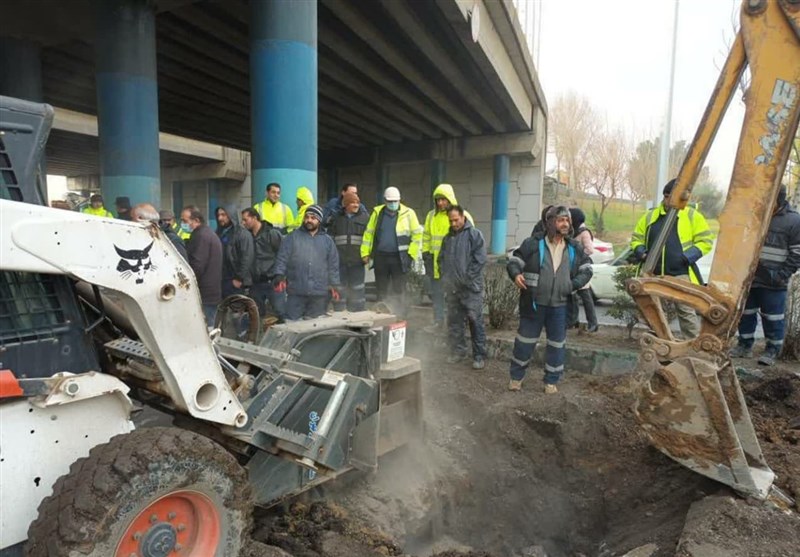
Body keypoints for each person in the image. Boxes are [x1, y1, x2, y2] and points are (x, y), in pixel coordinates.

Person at [506, 206, 593, 393]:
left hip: (560, 307)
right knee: (524, 343)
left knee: (556, 345)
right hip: (534, 305)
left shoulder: (573, 247)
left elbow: (587, 268)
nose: (565, 224)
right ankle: (516, 378)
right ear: (550, 222)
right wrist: (515, 275)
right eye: (561, 220)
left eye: (567, 221)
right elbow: (515, 261)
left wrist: (573, 284)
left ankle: (551, 381)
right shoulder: (532, 244)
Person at [630, 179, 715, 339]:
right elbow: (636, 238)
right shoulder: (650, 216)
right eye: (673, 197)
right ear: (666, 196)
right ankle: (659, 340)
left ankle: (692, 345)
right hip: (651, 272)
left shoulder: (692, 216)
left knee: (686, 311)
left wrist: (686, 257)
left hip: (680, 272)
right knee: (651, 310)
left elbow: (705, 241)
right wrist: (641, 252)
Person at [730, 185, 800, 365]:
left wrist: (782, 275)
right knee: (746, 314)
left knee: (773, 318)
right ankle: (744, 345)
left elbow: (797, 253)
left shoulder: (793, 221)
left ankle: (772, 350)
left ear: (779, 199)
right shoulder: (755, 216)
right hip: (750, 279)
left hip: (774, 280)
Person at [438, 205, 487, 370]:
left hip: (470, 288)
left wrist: (466, 280)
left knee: (475, 320)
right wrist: (445, 277)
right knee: (455, 322)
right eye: (450, 220)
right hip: (452, 288)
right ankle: (458, 352)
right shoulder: (447, 238)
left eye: (456, 220)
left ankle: (479, 355)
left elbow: (479, 260)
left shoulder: (474, 235)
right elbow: (441, 259)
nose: (453, 223)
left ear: (463, 217)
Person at [361, 187, 423, 316]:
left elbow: (417, 235)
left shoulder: (409, 213)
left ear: (399, 200)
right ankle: (381, 315)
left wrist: (411, 253)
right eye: (390, 201)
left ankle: (400, 315)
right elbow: (369, 234)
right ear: (385, 201)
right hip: (381, 257)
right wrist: (365, 253)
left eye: (396, 201)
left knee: (399, 288)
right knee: (381, 288)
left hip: (399, 258)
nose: (393, 204)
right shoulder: (377, 213)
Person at [273, 205, 341, 320]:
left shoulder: (327, 241)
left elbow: (333, 265)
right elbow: (282, 258)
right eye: (307, 217)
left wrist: (335, 285)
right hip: (296, 292)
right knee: (292, 324)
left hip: (318, 294)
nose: (309, 220)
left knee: (315, 327)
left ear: (319, 220)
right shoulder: (292, 237)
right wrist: (279, 275)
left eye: (313, 218)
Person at [423, 184, 472, 328]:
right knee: (437, 294)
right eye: (437, 200)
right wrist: (426, 255)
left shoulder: (463, 215)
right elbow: (426, 237)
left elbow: (470, 240)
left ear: (450, 199)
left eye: (443, 199)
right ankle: (438, 321)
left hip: (455, 266)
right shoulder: (431, 215)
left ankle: (456, 323)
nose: (440, 203)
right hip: (436, 263)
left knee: (456, 296)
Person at [181, 206, 223, 327]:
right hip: (210, 291)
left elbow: (197, 266)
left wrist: (185, 284)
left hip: (205, 293)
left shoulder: (201, 236)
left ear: (197, 220)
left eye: (185, 221)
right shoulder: (207, 233)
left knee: (206, 330)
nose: (183, 224)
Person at [328, 190, 370, 311]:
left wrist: (367, 255)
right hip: (340, 262)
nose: (356, 205)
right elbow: (330, 240)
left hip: (357, 262)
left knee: (357, 289)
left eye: (358, 202)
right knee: (340, 289)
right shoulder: (335, 218)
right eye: (353, 203)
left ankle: (357, 313)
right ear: (345, 205)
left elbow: (370, 239)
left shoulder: (365, 218)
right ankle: (339, 313)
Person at [241, 208, 285, 320]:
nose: (243, 223)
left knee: (280, 312)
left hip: (273, 281)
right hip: (255, 283)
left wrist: (281, 276)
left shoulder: (271, 234)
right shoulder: (247, 237)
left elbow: (283, 255)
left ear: (255, 218)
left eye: (246, 220)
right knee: (255, 315)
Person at [567, 207, 598, 333]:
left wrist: (578, 256)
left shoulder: (583, 232)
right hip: (572, 269)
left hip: (582, 269)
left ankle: (593, 323)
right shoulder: (572, 231)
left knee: (586, 297)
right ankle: (573, 321)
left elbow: (590, 249)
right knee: (572, 297)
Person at [215, 205, 254, 299]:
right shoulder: (219, 233)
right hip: (223, 280)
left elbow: (247, 258)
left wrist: (239, 279)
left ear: (231, 215)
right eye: (218, 215)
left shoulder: (242, 234)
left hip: (236, 282)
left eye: (223, 215)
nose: (220, 218)